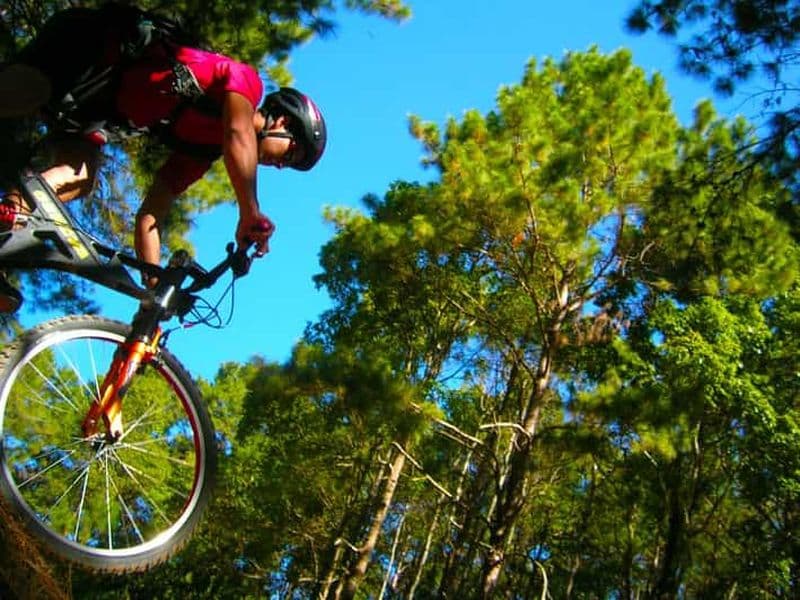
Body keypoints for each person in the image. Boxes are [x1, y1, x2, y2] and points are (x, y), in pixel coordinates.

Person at [0, 3, 327, 312]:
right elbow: (237, 133)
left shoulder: (202, 151)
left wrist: (155, 288)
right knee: (27, 90)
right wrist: (249, 212)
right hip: (91, 47)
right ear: (282, 122)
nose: (282, 165)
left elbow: (150, 217)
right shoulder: (247, 83)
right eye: (291, 153)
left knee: (78, 178)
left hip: (91, 112)